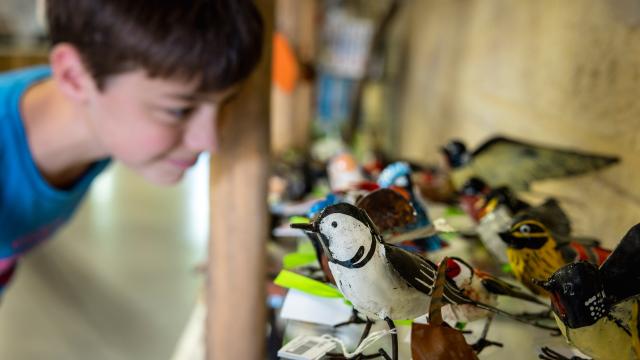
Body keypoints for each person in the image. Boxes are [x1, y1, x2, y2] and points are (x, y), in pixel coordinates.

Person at [0, 0, 264, 295]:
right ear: (73, 76)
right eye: (179, 110)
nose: (209, 141)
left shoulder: (97, 116)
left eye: (225, 103)